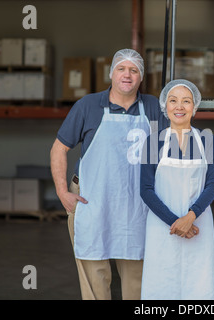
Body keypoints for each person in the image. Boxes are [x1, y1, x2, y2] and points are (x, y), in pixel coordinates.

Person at [50, 49, 169, 300]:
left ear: (141, 77)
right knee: (94, 271)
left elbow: (171, 150)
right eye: (121, 69)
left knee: (137, 276)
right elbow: (59, 149)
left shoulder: (154, 107)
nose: (127, 75)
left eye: (134, 70)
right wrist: (62, 192)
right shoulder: (88, 105)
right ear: (111, 73)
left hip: (139, 205)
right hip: (93, 200)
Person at [140, 79, 214, 300]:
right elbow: (146, 189)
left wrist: (190, 217)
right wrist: (176, 223)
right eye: (173, 101)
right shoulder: (153, 141)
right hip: (163, 229)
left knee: (199, 287)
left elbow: (213, 184)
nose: (179, 106)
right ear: (165, 106)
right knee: (162, 287)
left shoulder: (207, 140)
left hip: (198, 224)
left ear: (194, 107)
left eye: (186, 101)